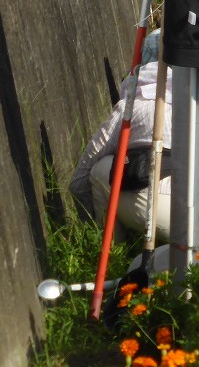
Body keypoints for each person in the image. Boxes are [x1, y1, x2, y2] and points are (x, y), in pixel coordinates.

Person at [70, 36, 172, 244]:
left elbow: (79, 179)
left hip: (153, 208)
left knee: (101, 167)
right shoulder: (195, 104)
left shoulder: (131, 106)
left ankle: (111, 249)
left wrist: (88, 222)